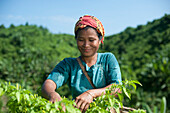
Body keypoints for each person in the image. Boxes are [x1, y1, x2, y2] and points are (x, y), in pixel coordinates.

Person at [41, 15, 122, 112]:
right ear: (76, 40)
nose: (86, 45)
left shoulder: (108, 59)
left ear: (100, 41)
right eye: (81, 40)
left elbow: (117, 88)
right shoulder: (68, 64)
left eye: (91, 40)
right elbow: (49, 82)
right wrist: (52, 94)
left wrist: (91, 94)